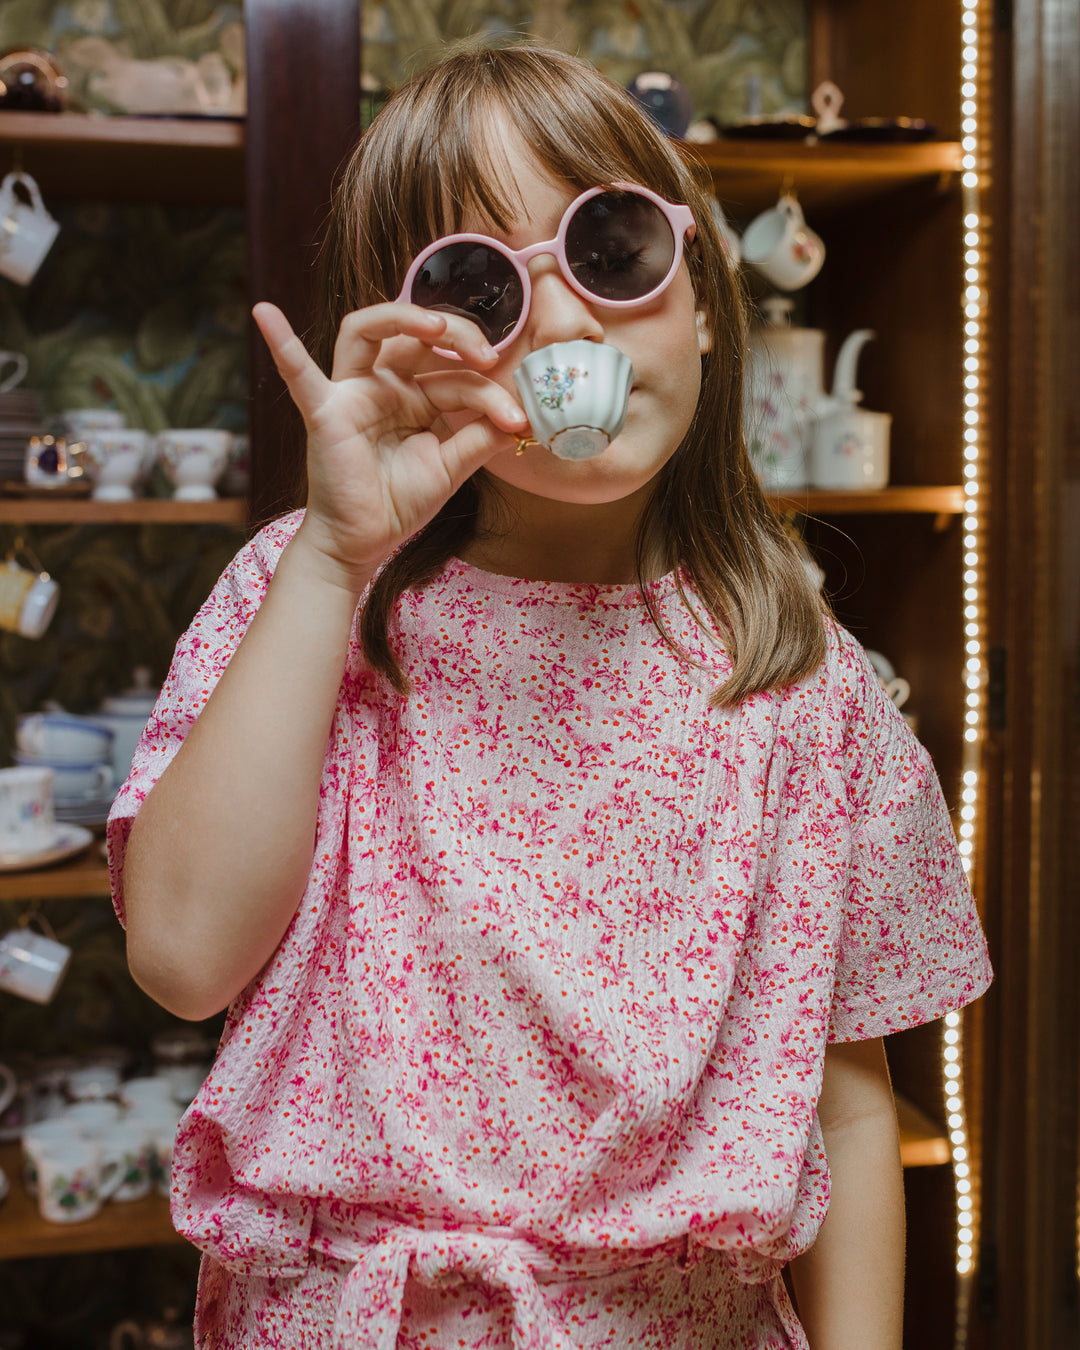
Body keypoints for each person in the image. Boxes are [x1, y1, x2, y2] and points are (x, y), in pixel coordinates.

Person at [108, 40, 992, 1350]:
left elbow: (851, 1108)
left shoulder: (803, 679)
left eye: (614, 251)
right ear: (409, 352)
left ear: (701, 298)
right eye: (480, 288)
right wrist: (334, 557)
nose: (570, 325)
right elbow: (181, 958)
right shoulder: (304, 602)